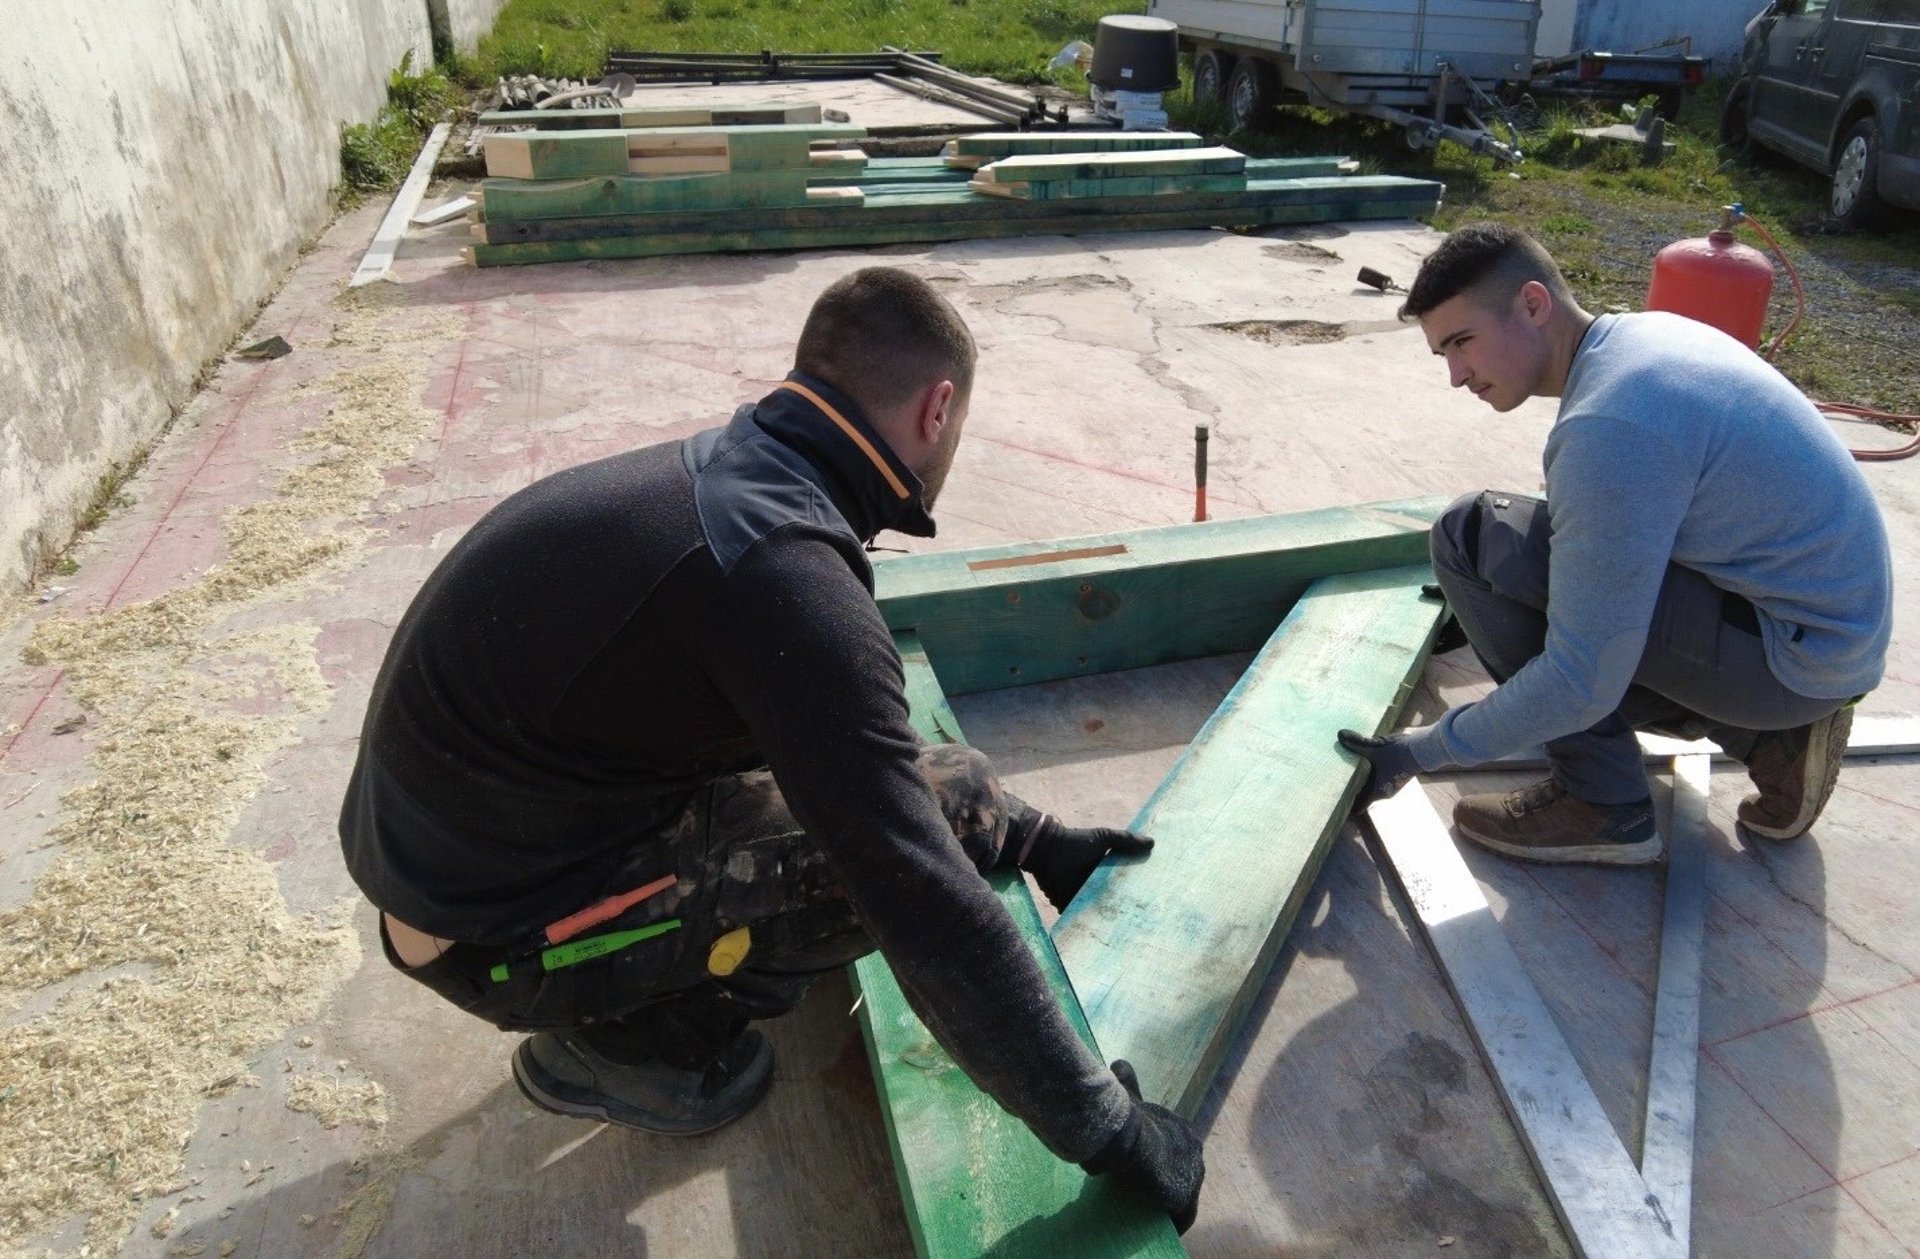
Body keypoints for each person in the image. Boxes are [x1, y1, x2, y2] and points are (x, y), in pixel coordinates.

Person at [337, 267, 1203, 1231]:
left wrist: (1034, 838)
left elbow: (874, 754)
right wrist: (1109, 1128)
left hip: (481, 837)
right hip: (486, 929)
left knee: (948, 791)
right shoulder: (781, 572)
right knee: (880, 870)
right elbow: (921, 901)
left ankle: (630, 990)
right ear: (938, 407)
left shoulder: (745, 482)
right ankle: (628, 1044)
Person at [1339, 223, 1892, 864]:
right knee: (1531, 554)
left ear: (1533, 304)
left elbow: (1581, 681)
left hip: (1793, 662)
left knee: (1471, 538)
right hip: (1824, 639)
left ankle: (1601, 803)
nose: (1457, 376)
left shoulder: (1612, 425)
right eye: (1443, 354)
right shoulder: (1641, 339)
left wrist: (1419, 752)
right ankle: (1773, 741)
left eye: (1463, 342)